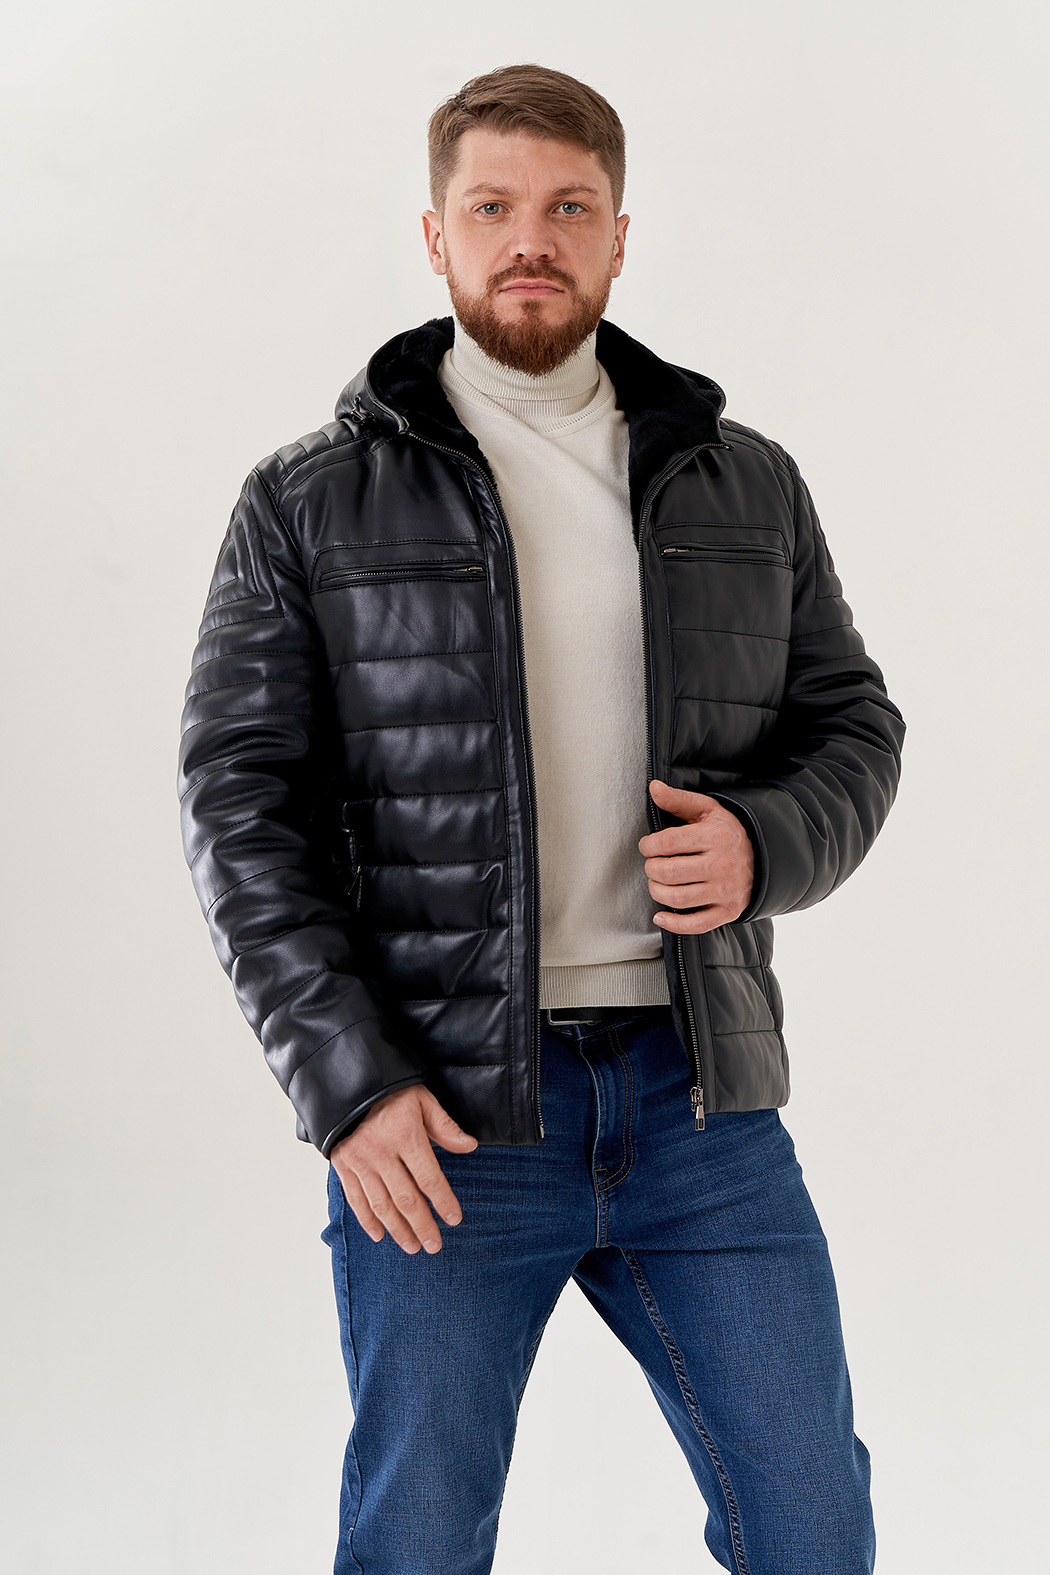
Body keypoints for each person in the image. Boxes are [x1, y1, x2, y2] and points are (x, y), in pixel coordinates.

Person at [178, 62, 904, 1575]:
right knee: (418, 1541)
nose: (531, 239)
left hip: (701, 1101)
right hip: (444, 1118)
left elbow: (853, 726)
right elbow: (241, 808)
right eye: (492, 206)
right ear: (433, 235)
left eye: (569, 208)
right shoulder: (307, 502)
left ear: (618, 238)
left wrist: (766, 842)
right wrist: (348, 1084)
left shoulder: (744, 482)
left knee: (813, 1527)